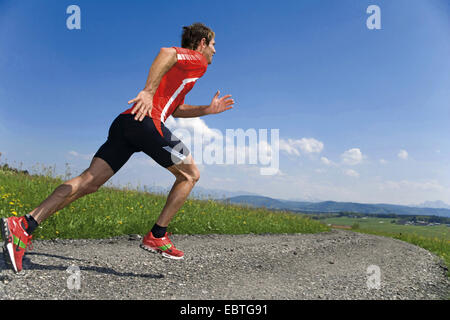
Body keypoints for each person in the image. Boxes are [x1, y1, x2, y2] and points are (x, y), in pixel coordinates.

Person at [1, 22, 234, 272]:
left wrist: (207, 110)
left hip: (128, 122)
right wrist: (147, 91)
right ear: (201, 43)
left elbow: (175, 108)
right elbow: (167, 52)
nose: (214, 51)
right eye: (213, 44)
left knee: (89, 181)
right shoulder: (197, 60)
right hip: (146, 121)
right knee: (190, 174)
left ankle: (24, 225)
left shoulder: (184, 73)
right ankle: (157, 234)